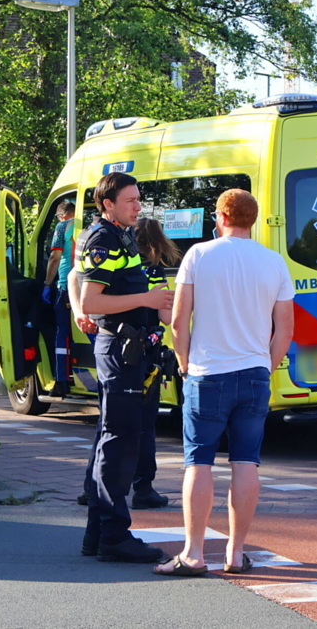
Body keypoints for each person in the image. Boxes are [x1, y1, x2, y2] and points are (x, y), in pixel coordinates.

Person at [154, 189, 295, 577]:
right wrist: (266, 365)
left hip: (207, 373)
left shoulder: (198, 255)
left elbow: (180, 321)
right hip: (254, 374)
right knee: (246, 461)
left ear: (220, 217)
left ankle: (194, 553)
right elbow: (285, 329)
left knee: (198, 462)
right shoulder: (274, 262)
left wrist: (184, 363)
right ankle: (235, 553)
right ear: (253, 219)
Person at [77, 172, 175, 564]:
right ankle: (115, 536)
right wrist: (149, 298)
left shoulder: (120, 235)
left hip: (126, 348)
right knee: (120, 444)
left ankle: (98, 533)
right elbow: (91, 302)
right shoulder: (104, 239)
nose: (138, 206)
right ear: (108, 204)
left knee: (113, 440)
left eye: (138, 199)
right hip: (119, 349)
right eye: (131, 200)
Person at [130, 217, 182, 510]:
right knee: (145, 425)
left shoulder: (121, 267)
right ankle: (143, 488)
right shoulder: (153, 270)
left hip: (117, 352)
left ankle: (94, 486)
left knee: (110, 424)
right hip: (145, 354)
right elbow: (165, 316)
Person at [43, 200, 75, 397]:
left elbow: (55, 258)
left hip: (66, 285)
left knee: (62, 333)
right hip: (89, 284)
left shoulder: (63, 226)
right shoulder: (89, 225)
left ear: (62, 215)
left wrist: (47, 284)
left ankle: (61, 380)